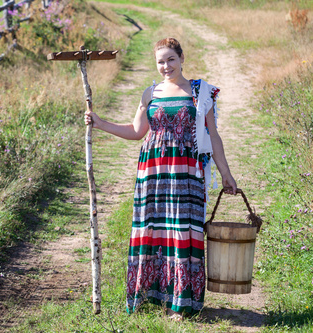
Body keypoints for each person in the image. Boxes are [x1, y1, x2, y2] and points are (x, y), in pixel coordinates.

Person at [85, 37, 237, 320]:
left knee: (181, 230)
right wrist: (99, 122)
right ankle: (146, 295)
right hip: (152, 173)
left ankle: (179, 303)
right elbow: (135, 131)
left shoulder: (200, 92)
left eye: (171, 59)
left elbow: (213, 136)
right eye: (160, 61)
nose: (166, 66)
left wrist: (226, 174)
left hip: (186, 172)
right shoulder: (149, 93)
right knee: (152, 229)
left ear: (181, 58)